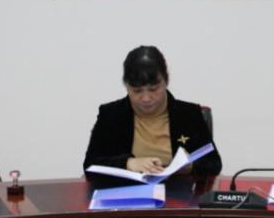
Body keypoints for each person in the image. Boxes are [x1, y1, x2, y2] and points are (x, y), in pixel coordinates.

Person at [83, 45, 222, 177]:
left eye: (153, 89)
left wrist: (190, 166)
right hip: (126, 192)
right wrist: (128, 163)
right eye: (137, 91)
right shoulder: (110, 115)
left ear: (166, 82)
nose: (146, 98)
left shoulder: (190, 114)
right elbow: (90, 166)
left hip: (176, 192)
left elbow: (214, 164)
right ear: (127, 86)